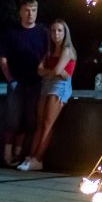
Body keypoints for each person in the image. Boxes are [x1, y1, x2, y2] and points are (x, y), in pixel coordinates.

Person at [17, 19, 76, 172]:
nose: (56, 34)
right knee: (40, 123)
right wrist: (55, 72)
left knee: (47, 124)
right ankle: (31, 157)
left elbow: (56, 72)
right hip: (47, 86)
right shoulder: (50, 51)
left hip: (60, 87)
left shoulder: (67, 49)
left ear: (65, 33)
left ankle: (38, 158)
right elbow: (40, 70)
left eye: (59, 31)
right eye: (53, 31)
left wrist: (53, 72)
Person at [0, 0, 48, 167]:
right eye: (27, 10)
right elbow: (3, 58)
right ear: (21, 12)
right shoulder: (11, 33)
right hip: (16, 82)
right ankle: (7, 154)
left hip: (35, 83)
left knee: (29, 120)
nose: (30, 14)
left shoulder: (43, 33)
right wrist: (10, 78)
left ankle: (18, 154)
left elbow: (47, 55)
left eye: (34, 10)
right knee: (13, 119)